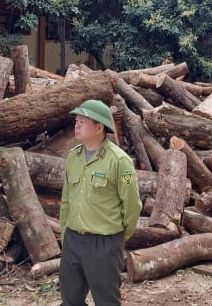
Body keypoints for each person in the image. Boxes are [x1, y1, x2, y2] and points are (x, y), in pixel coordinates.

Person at [59, 99, 143, 306]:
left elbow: (132, 205)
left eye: (83, 121)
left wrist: (118, 238)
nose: (76, 125)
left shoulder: (119, 161)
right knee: (70, 299)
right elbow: (67, 200)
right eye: (76, 121)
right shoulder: (73, 157)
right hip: (73, 240)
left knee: (106, 300)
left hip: (104, 244)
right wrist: (65, 234)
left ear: (99, 127)